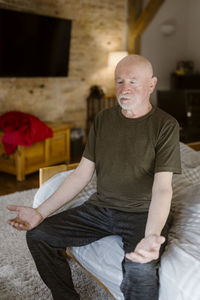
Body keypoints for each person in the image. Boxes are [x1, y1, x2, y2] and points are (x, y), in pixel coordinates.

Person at [7, 54, 181, 300]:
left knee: (139, 268)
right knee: (38, 235)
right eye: (119, 81)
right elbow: (81, 175)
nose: (125, 88)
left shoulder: (166, 125)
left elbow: (163, 189)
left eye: (133, 81)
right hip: (101, 208)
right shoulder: (103, 120)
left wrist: (152, 236)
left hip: (142, 213)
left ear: (151, 84)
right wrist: (40, 212)